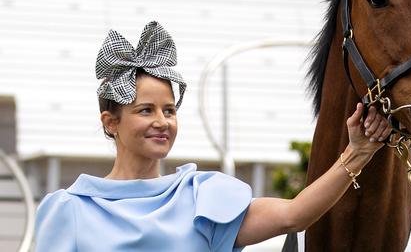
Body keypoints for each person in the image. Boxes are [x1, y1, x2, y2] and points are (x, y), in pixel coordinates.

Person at [34, 21, 392, 252]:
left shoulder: (202, 198)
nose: (162, 121)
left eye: (169, 110)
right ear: (111, 122)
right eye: (146, 110)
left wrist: (357, 153)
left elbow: (294, 215)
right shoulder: (70, 210)